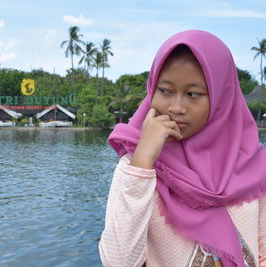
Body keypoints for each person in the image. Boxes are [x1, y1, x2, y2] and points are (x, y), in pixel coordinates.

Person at [98, 30, 266, 267]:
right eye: (165, 90)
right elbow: (118, 262)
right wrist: (144, 160)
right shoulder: (135, 166)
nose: (176, 107)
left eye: (193, 94)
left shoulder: (253, 165)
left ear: (221, 97)